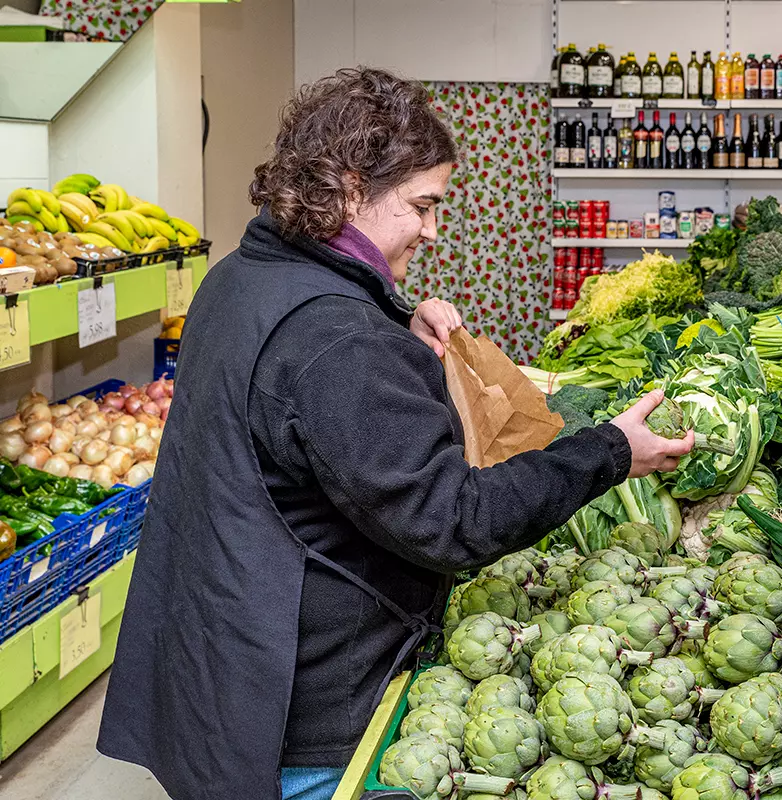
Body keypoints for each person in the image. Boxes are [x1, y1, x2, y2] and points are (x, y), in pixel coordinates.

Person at [97, 68, 692, 800]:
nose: (433, 229)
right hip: (305, 709)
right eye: (422, 205)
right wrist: (607, 452)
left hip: (214, 667)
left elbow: (294, 405)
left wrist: (391, 327)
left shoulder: (238, 278)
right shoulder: (337, 342)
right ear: (350, 190)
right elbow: (454, 520)